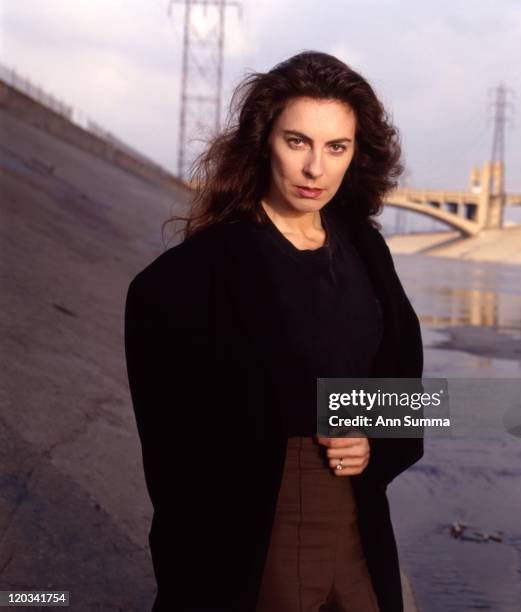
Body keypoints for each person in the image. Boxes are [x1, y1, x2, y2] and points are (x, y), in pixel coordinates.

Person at [124, 50, 424, 612]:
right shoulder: (205, 270)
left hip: (360, 521)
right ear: (264, 141)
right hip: (256, 533)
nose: (316, 169)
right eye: (298, 142)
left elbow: (405, 384)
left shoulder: (365, 249)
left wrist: (373, 439)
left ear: (358, 153)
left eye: (337, 147)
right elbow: (170, 444)